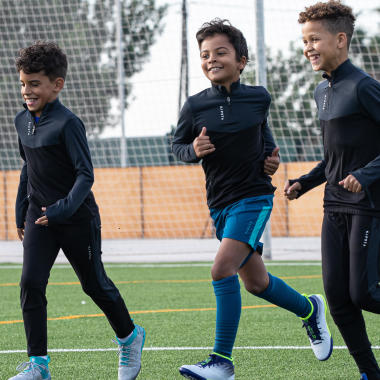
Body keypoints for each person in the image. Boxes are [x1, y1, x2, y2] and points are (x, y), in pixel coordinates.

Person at [172, 18, 333, 380]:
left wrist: (271, 158)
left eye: (220, 52)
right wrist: (193, 150)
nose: (211, 59)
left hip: (254, 197)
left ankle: (221, 362)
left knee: (221, 269)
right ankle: (309, 310)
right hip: (220, 204)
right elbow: (177, 146)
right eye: (204, 55)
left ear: (241, 60)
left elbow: (265, 136)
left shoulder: (259, 97)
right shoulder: (194, 106)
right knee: (256, 283)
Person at [9, 41, 145, 380]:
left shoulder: (69, 124)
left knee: (94, 285)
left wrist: (62, 209)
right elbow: (29, 167)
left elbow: (86, 174)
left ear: (57, 84)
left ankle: (130, 338)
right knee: (30, 283)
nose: (27, 91)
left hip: (76, 217)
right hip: (38, 216)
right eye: (23, 83)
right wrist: (19, 208)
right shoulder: (21, 121)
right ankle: (38, 365)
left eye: (35, 83)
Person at [285, 2, 380, 380]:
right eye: (304, 40)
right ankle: (370, 374)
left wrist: (368, 174)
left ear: (340, 40)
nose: (308, 47)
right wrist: (304, 183)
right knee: (339, 300)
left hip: (368, 207)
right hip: (334, 207)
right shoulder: (319, 93)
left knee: (366, 294)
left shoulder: (365, 87)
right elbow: (333, 159)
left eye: (315, 39)